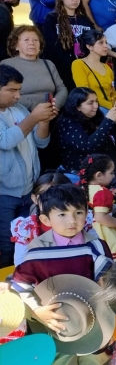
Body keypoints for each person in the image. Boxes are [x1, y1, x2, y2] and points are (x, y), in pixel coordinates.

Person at [9, 184, 114, 364]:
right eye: (62, 214)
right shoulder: (37, 249)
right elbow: (22, 284)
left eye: (79, 213)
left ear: (87, 214)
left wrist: (110, 319)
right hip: (53, 323)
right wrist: (37, 310)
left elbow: (108, 283)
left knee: (96, 359)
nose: (72, 220)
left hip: (93, 320)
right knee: (59, 359)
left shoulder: (96, 246)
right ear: (46, 219)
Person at [0, 65, 58, 267]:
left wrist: (44, 121)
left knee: (26, 241)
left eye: (19, 90)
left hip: (28, 190)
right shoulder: (25, 113)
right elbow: (5, 141)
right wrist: (34, 117)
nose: (17, 96)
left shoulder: (19, 110)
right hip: (4, 194)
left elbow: (41, 142)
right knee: (6, 245)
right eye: (12, 90)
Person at [57, 87, 116, 173]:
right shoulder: (68, 123)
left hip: (107, 172)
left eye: (96, 101)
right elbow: (88, 147)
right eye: (90, 103)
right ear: (77, 107)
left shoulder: (98, 117)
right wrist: (108, 121)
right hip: (79, 176)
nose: (96, 106)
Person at [1, 26, 68, 111]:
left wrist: (55, 106)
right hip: (21, 113)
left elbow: (61, 89)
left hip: (52, 112)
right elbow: (7, 93)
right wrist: (36, 107)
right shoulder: (7, 64)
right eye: (26, 40)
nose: (32, 43)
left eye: (36, 40)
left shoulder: (48, 64)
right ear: (15, 45)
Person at [41, 0, 94, 90]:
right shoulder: (52, 18)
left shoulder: (85, 19)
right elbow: (51, 45)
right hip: (61, 68)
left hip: (85, 66)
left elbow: (93, 41)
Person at [71, 29, 116, 109]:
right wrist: (112, 107)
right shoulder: (78, 64)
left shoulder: (107, 67)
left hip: (112, 109)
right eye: (101, 43)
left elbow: (113, 93)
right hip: (96, 109)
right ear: (89, 46)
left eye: (106, 42)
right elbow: (85, 93)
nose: (105, 46)